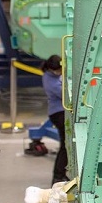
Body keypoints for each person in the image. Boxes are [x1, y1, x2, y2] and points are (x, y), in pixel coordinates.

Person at [42, 55, 69, 185]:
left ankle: (60, 174)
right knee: (65, 145)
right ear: (51, 69)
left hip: (60, 112)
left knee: (66, 145)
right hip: (58, 114)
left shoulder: (53, 76)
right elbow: (66, 95)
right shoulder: (50, 81)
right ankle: (58, 176)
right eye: (59, 70)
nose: (60, 72)